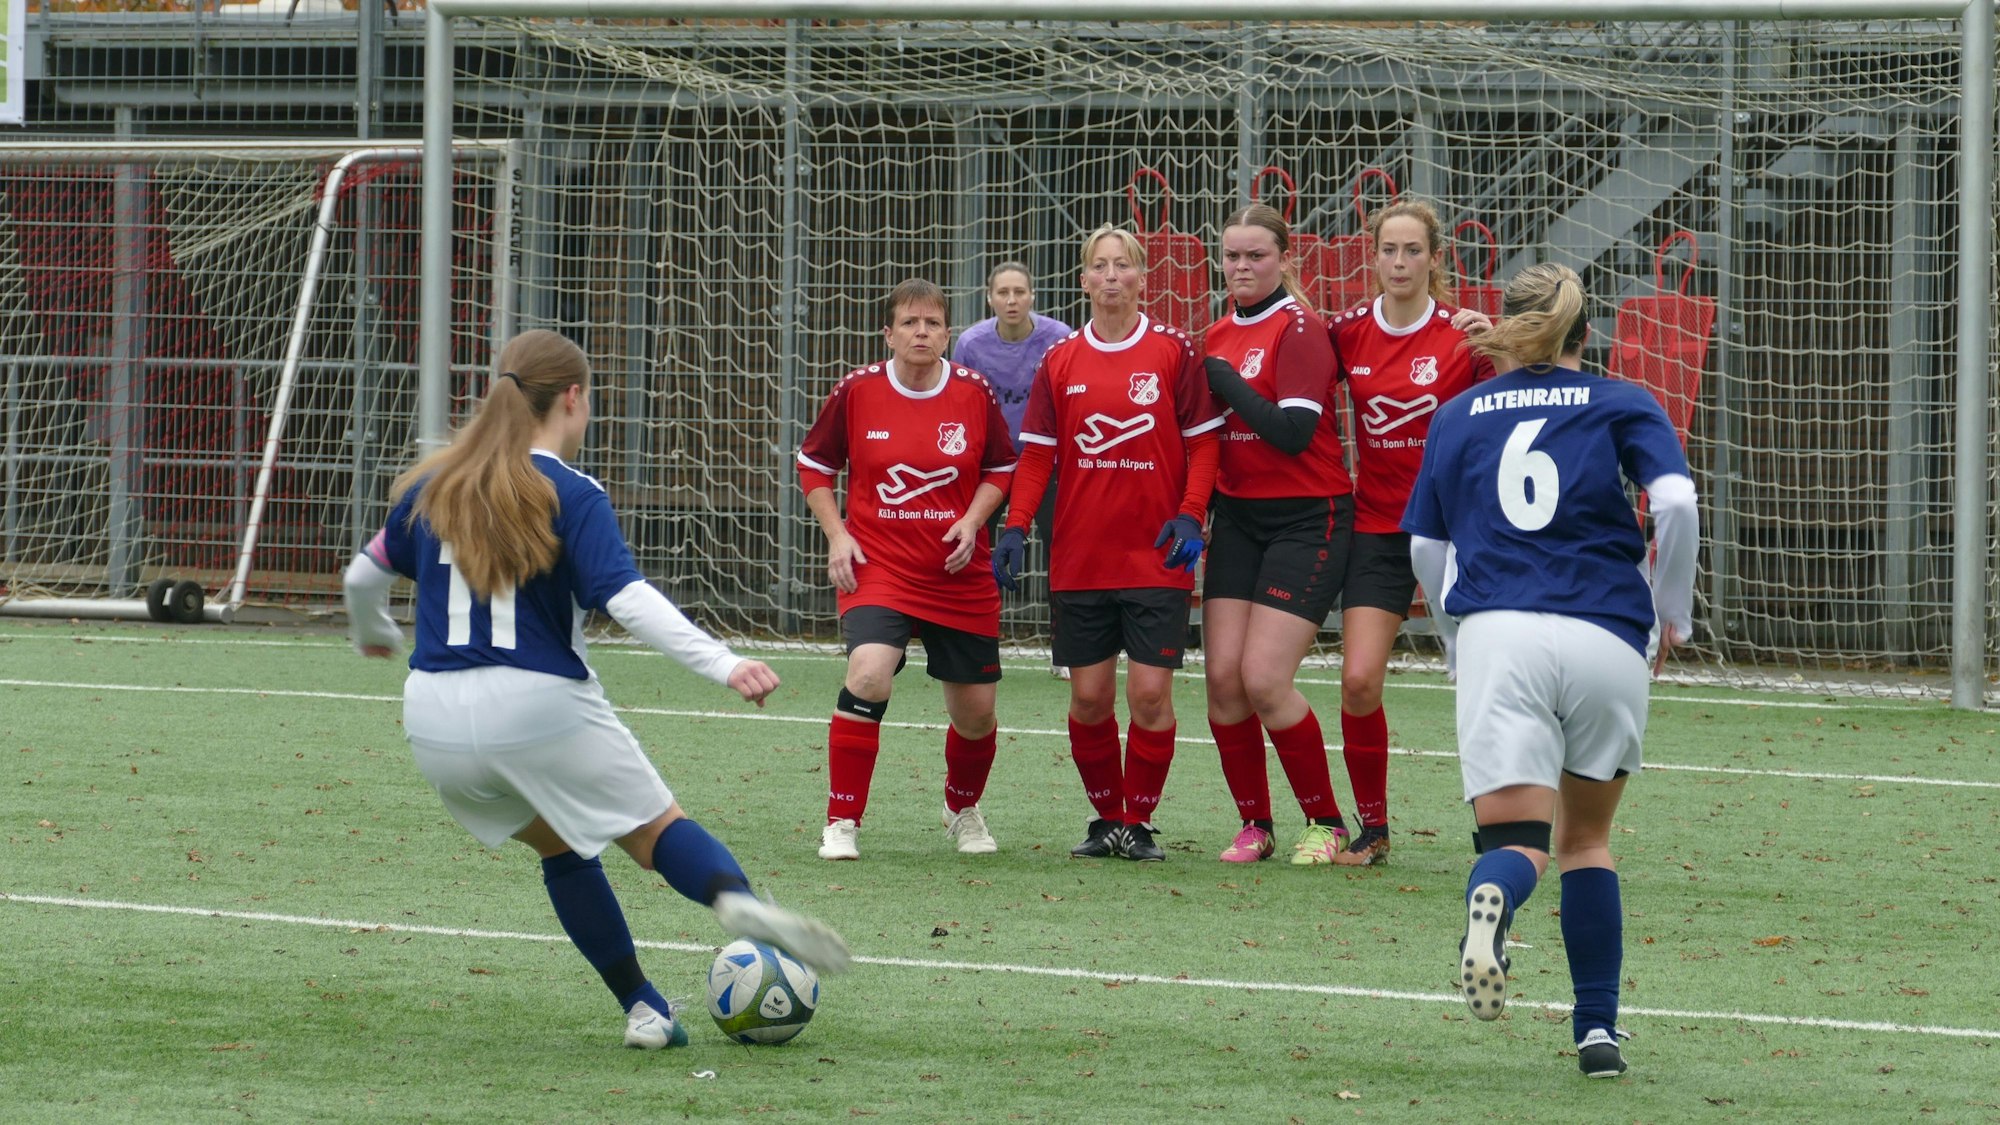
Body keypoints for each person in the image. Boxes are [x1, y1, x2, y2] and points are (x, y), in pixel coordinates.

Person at [342, 329, 850, 1052]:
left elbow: (363, 579)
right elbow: (628, 597)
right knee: (654, 831)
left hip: (433, 717)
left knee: (561, 848)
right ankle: (736, 900)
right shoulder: (570, 491)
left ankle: (644, 1008)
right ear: (573, 398)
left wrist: (373, 633)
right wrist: (723, 663)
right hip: (535, 702)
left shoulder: (435, 482)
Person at [1400, 263, 1698, 1078]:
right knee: (1588, 838)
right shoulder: (1622, 399)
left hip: (1500, 631)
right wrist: (1673, 610)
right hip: (1605, 631)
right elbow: (1674, 501)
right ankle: (1596, 1030)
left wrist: (1456, 634)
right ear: (1585, 333)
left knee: (1521, 840)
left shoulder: (1458, 414)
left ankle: (1489, 908)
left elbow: (1425, 545)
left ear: (1506, 325)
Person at [993, 223, 1225, 862]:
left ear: (1142, 277)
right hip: (1081, 555)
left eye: (1125, 265)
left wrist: (1190, 516)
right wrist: (1015, 525)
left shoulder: (1174, 352)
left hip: (1156, 553)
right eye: (1101, 266)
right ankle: (1106, 819)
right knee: (1089, 698)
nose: (1113, 276)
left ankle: (1139, 822)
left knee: (1149, 695)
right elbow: (1037, 456)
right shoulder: (1059, 361)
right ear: (1085, 279)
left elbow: (1205, 444)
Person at [798, 278, 1018, 861]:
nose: (922, 332)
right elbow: (814, 466)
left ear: (948, 334)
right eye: (910, 323)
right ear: (888, 333)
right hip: (881, 566)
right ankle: (842, 818)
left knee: (975, 716)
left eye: (933, 324)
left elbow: (1002, 468)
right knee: (869, 673)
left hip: (959, 572)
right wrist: (838, 535)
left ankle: (961, 807)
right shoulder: (858, 391)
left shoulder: (973, 391)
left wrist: (972, 522)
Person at [1324, 199, 1496, 866]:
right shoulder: (1347, 333)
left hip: (1460, 535)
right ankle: (1374, 830)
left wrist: (1503, 341)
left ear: (1435, 258)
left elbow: (1515, 403)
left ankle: (1498, 826)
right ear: (1374, 257)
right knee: (1360, 679)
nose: (1399, 262)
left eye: (1412, 250)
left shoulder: (1465, 334)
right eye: (1389, 250)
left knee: (1485, 685)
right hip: (1379, 530)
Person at [1193, 203, 1357, 866]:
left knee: (1263, 678)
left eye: (1255, 255)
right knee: (1224, 683)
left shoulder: (1301, 329)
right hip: (1237, 516)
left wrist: (1226, 381)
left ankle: (1327, 820)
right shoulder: (1215, 333)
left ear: (1285, 259)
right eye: (1232, 255)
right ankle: (1254, 824)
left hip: (1306, 515)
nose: (1241, 267)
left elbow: (1292, 435)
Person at [951, 261, 1074, 679]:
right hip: (991, 469)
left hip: (1048, 464)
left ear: (1032, 295)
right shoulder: (970, 344)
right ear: (990, 298)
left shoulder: (1059, 339)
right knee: (974, 551)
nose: (1011, 300)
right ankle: (974, 645)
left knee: (1064, 552)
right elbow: (961, 407)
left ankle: (1067, 653)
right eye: (1003, 292)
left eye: (1019, 291)